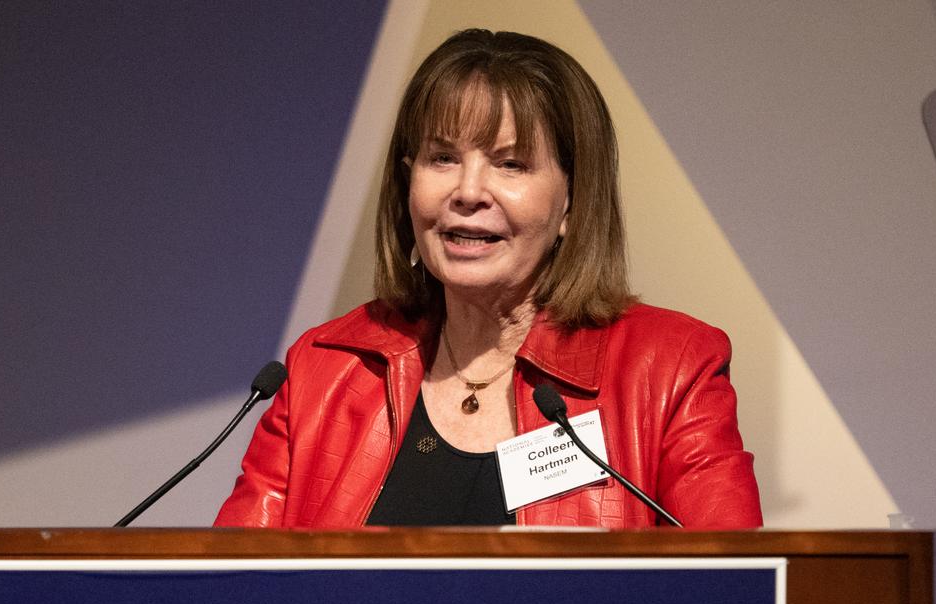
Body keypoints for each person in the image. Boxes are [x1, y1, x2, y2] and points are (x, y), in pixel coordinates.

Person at [216, 29, 761, 529]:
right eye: (443, 158)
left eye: (510, 164)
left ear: (572, 201)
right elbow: (229, 598)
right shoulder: (324, 369)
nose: (469, 191)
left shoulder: (671, 371)